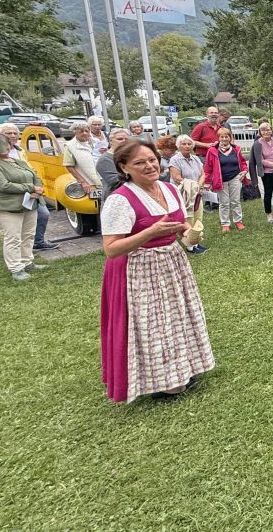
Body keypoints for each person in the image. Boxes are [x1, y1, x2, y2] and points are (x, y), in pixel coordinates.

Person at [99, 140, 215, 403]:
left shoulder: (167, 188)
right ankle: (161, 382)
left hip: (171, 263)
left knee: (177, 316)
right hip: (138, 268)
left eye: (151, 159)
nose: (149, 165)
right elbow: (111, 248)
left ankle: (183, 369)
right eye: (140, 162)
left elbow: (180, 222)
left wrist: (188, 232)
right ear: (124, 167)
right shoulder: (120, 200)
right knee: (152, 323)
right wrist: (150, 232)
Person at [0, 123, 58, 251]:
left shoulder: (19, 150)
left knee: (42, 215)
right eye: (8, 133)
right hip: (10, 193)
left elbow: (27, 168)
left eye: (15, 133)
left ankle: (37, 242)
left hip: (30, 192)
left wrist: (35, 183)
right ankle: (17, 256)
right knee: (15, 226)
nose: (12, 135)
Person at [0, 133, 47, 281]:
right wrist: (31, 187)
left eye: (6, 144)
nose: (3, 148)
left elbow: (34, 175)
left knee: (28, 234)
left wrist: (38, 187)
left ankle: (27, 261)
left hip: (30, 203)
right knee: (13, 237)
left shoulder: (17, 161)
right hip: (8, 206)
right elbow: (3, 185)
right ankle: (16, 268)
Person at [201, 127, 248, 232]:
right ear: (218, 138)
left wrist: (245, 170)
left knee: (236, 201)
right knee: (224, 203)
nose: (224, 139)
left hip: (235, 178)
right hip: (220, 180)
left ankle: (238, 221)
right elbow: (207, 168)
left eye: (226, 136)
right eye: (222, 137)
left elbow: (243, 162)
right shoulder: (212, 150)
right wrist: (207, 182)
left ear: (230, 138)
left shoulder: (236, 149)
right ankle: (225, 223)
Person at [168, 134, 208, 254]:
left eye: (189, 144)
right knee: (188, 219)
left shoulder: (196, 159)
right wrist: (192, 185)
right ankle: (190, 246)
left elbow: (202, 174)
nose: (187, 146)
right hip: (183, 194)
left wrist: (198, 185)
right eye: (184, 144)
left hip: (196, 193)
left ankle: (196, 242)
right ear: (178, 146)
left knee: (198, 217)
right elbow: (176, 178)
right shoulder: (175, 160)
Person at [248, 122, 273, 224]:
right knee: (268, 193)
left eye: (268, 129)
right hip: (267, 173)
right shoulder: (257, 144)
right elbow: (260, 161)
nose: (266, 132)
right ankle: (269, 214)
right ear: (260, 132)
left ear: (272, 130)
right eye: (263, 130)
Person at [63, 120, 103, 198]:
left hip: (103, 179)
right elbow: (69, 166)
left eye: (86, 131)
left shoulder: (96, 142)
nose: (84, 133)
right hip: (88, 182)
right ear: (75, 132)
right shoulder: (70, 146)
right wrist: (82, 182)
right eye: (81, 131)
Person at [96, 128, 132, 203]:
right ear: (111, 141)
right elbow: (116, 182)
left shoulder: (132, 155)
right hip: (115, 200)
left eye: (126, 139)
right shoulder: (105, 159)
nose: (123, 141)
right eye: (120, 139)